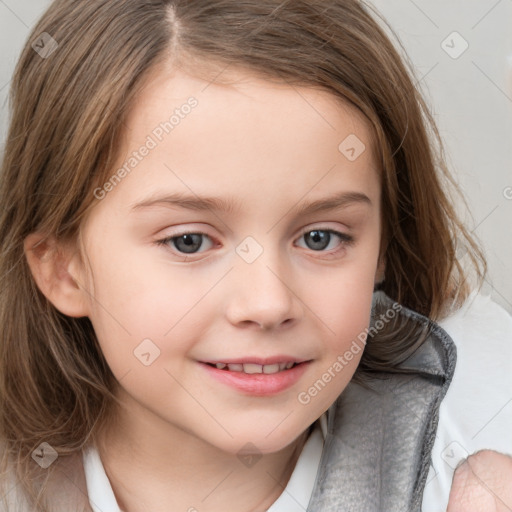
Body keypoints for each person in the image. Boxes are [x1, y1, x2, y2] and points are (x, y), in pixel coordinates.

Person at [0, 0, 509, 510]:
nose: (268, 304)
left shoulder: (482, 452)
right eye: (189, 241)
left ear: (382, 248)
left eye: (320, 238)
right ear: (64, 269)